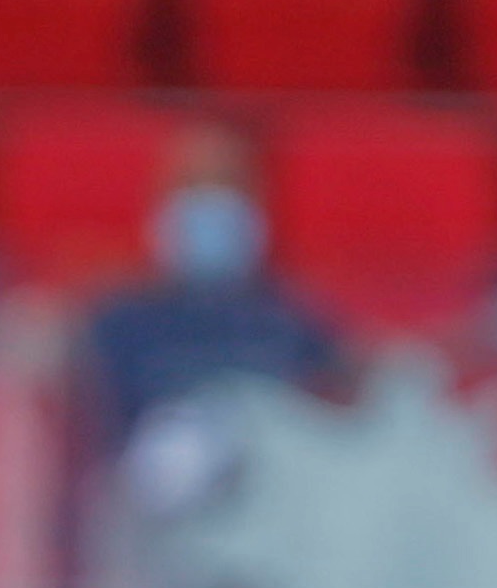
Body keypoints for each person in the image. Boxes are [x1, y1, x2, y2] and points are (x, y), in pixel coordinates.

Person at [74, 123, 336, 457]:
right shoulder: (117, 324)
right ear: (160, 202)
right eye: (193, 185)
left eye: (226, 184)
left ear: (259, 201)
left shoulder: (298, 323)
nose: (210, 201)